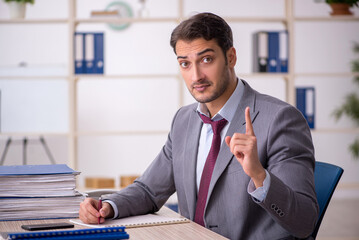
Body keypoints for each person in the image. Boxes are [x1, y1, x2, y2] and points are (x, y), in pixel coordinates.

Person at [79, 12, 319, 240]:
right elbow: (149, 190)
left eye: (206, 59)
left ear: (231, 57)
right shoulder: (184, 120)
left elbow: (304, 222)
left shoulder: (280, 119)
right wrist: (107, 206)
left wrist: (259, 175)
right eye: (185, 64)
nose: (196, 76)